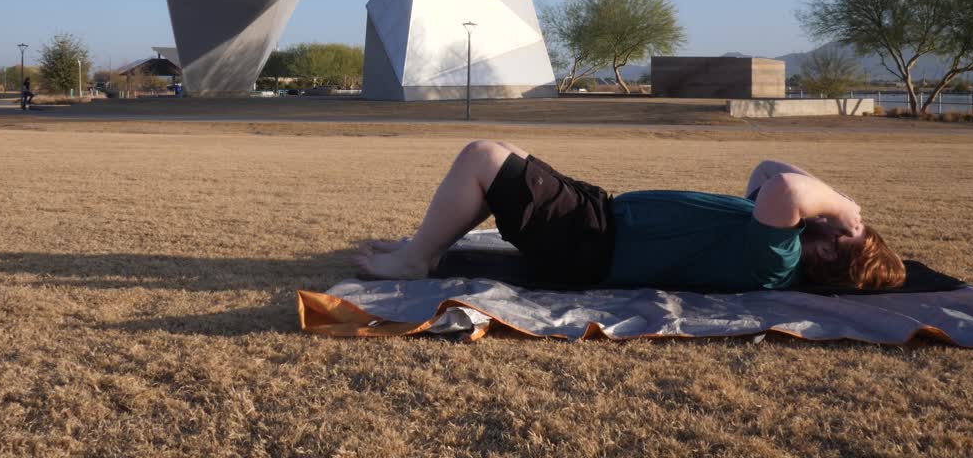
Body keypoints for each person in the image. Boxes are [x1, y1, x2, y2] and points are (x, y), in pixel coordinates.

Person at [355, 140, 905, 292]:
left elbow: (786, 187)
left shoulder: (777, 262)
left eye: (843, 233)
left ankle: (416, 261)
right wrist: (836, 211)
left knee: (483, 158)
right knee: (498, 158)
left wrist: (843, 208)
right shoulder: (776, 233)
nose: (832, 217)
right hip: (601, 217)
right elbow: (766, 168)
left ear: (832, 249)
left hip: (591, 244)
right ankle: (421, 247)